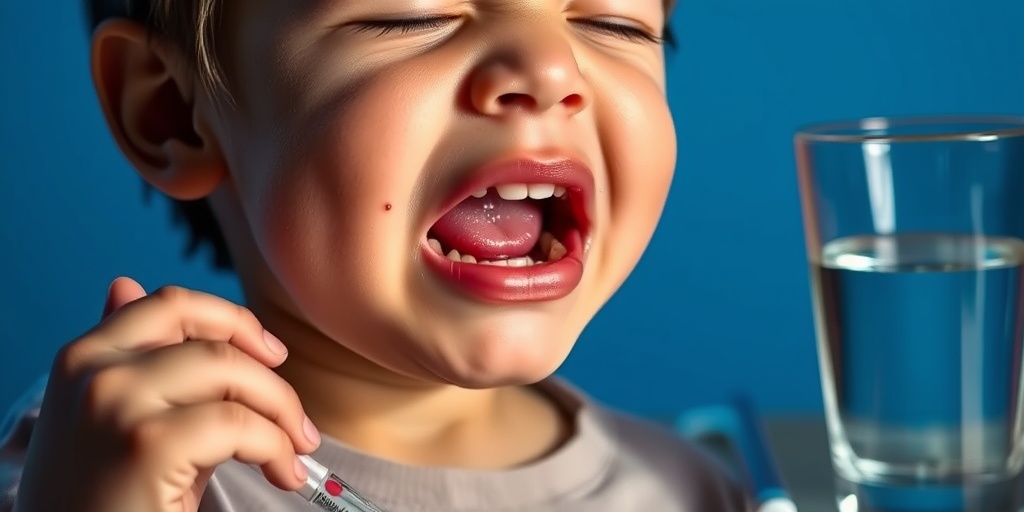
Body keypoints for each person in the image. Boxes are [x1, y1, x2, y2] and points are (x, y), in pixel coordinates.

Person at [2, 0, 751, 510]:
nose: (551, 68)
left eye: (613, 21)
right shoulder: (96, 464)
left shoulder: (694, 488)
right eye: (410, 12)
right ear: (169, 109)